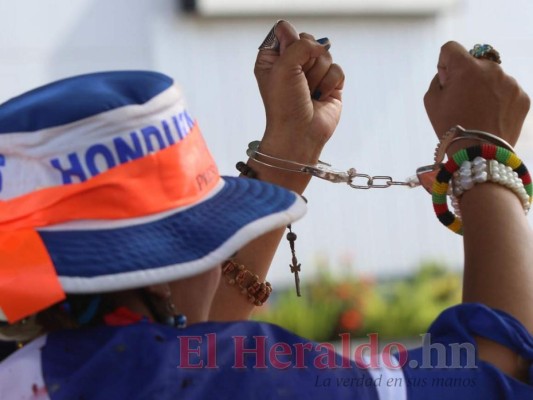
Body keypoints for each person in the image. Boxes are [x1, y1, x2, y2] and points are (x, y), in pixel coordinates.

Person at [0, 20, 532, 399]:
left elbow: (190, 353)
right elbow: (489, 376)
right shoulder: (218, 378)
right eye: (215, 234)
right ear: (160, 277)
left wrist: (290, 149)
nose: (223, 251)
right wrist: (483, 153)